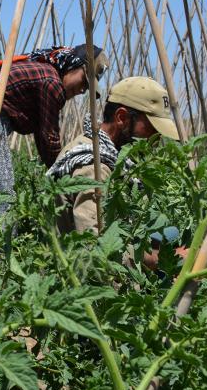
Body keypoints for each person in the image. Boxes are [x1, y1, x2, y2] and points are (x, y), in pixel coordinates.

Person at [0, 45, 109, 214]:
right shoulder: (52, 83)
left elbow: (42, 135)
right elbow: (49, 139)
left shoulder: (44, 72)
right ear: (73, 66)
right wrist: (64, 177)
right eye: (84, 81)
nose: (83, 90)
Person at [47, 76, 180, 269]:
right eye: (152, 129)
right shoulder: (93, 166)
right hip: (86, 280)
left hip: (113, 254)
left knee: (173, 233)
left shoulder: (108, 152)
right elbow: (95, 248)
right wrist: (159, 261)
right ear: (122, 118)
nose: (157, 140)